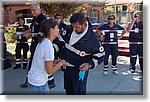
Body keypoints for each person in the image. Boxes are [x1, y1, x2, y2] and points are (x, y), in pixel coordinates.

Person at [53, 13, 104, 95]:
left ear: (84, 24)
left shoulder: (93, 38)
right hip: (67, 69)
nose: (74, 29)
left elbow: (100, 56)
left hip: (80, 70)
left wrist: (89, 64)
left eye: (76, 27)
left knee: (79, 92)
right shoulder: (68, 30)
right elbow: (59, 42)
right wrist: (51, 51)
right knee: (68, 90)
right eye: (72, 26)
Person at [27, 19, 67, 95]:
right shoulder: (48, 46)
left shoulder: (43, 41)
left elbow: (44, 61)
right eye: (57, 28)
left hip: (35, 80)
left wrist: (56, 62)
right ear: (51, 30)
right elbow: (49, 71)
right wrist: (61, 63)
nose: (59, 30)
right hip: (39, 83)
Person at [20, 2, 47, 88]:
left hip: (40, 44)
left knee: (36, 63)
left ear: (39, 9)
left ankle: (48, 81)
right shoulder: (34, 19)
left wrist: (31, 35)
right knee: (32, 63)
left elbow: (43, 33)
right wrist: (21, 33)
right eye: (31, 11)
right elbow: (31, 30)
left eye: (34, 10)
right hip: (34, 44)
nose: (32, 12)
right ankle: (29, 80)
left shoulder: (43, 19)